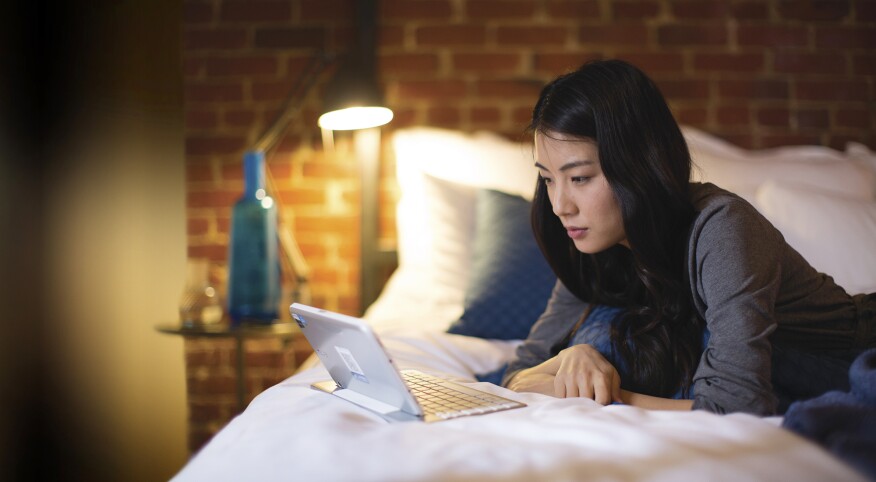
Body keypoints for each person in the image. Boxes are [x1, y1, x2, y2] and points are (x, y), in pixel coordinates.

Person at [501, 59, 876, 415]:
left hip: (855, 355)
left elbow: (735, 408)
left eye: (579, 178)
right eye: (548, 180)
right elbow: (518, 373)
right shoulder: (595, 243)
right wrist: (571, 356)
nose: (560, 205)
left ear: (638, 166)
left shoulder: (722, 229)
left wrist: (605, 397)